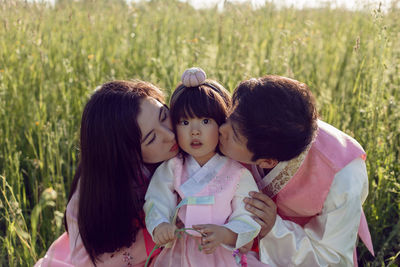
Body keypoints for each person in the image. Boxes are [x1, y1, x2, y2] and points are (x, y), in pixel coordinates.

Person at [218, 75, 374, 266]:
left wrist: (274, 229)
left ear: (267, 162)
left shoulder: (342, 174)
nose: (221, 129)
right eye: (229, 117)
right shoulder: (249, 122)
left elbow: (332, 259)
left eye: (233, 135)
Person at [35, 80, 179, 267]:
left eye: (164, 115)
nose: (170, 135)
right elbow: (86, 262)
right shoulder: (96, 194)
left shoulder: (185, 142)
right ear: (128, 154)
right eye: (152, 138)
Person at [144, 68, 268, 267]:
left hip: (219, 250)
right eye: (184, 122)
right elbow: (156, 200)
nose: (194, 131)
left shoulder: (237, 172)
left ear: (221, 122)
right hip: (180, 250)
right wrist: (160, 225)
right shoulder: (173, 167)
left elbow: (246, 214)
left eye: (205, 121)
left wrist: (227, 233)